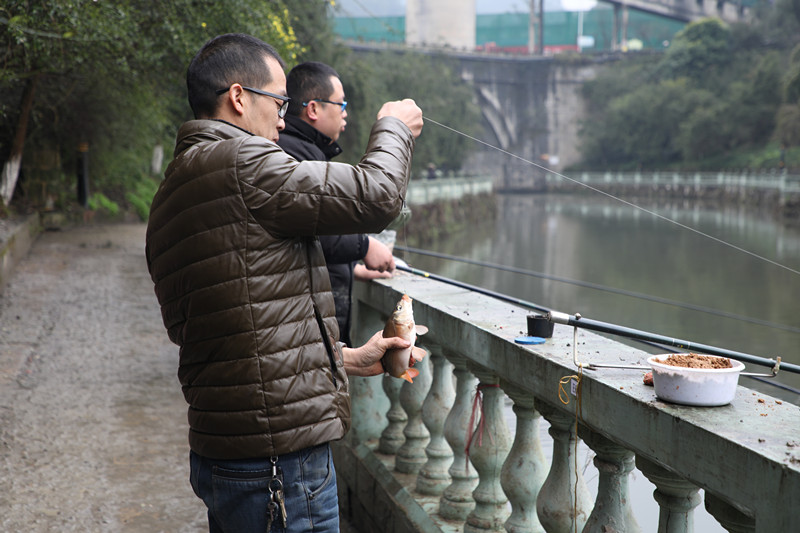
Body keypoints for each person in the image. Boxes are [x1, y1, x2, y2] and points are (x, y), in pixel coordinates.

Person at [144, 33, 423, 533]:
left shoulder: (170, 194)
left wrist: (345, 359)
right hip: (280, 466)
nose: (282, 119)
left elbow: (234, 334)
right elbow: (377, 196)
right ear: (238, 97)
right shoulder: (244, 164)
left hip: (221, 457)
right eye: (278, 103)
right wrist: (394, 127)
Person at [277, 61, 394, 346]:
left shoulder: (305, 151)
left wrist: (351, 268)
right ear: (313, 109)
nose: (345, 112)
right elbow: (317, 229)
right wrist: (364, 246)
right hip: (304, 338)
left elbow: (302, 241)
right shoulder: (295, 156)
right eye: (340, 104)